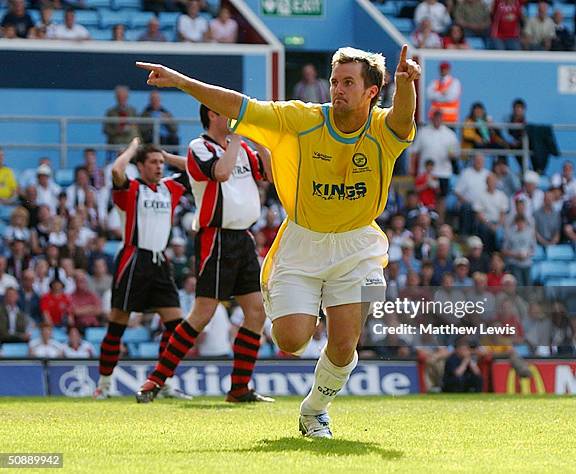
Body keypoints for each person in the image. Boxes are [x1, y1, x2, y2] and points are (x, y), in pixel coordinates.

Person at [134, 42, 420, 437]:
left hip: (357, 245)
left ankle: (314, 411)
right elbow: (240, 105)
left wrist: (406, 85)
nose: (337, 89)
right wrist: (181, 81)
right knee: (291, 340)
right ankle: (292, 299)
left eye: (348, 82)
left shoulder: (382, 130)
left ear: (372, 92)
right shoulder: (301, 118)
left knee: (343, 345)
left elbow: (404, 119)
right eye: (334, 81)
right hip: (302, 240)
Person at [136, 103, 274, 404]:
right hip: (217, 237)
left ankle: (239, 388)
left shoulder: (242, 149)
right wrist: (237, 137)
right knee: (203, 313)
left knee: (256, 312)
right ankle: (156, 379)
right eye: (228, 111)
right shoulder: (199, 146)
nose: (234, 117)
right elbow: (221, 173)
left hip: (244, 238)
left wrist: (259, 140)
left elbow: (271, 175)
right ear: (213, 114)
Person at [93, 138, 189, 400]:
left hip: (160, 261)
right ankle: (104, 385)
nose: (159, 167)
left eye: (160, 163)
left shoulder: (171, 187)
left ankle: (164, 381)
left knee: (175, 327)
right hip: (133, 259)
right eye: (153, 162)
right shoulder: (131, 189)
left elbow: (196, 168)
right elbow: (116, 171)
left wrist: (167, 156)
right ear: (141, 166)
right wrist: (134, 148)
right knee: (117, 325)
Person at [103, 86, 140, 150]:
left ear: (127, 97)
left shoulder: (133, 111)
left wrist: (131, 126)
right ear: (116, 98)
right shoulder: (110, 112)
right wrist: (117, 131)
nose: (122, 99)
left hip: (131, 139)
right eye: (119, 97)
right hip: (116, 141)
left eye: (124, 97)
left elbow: (138, 126)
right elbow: (106, 129)